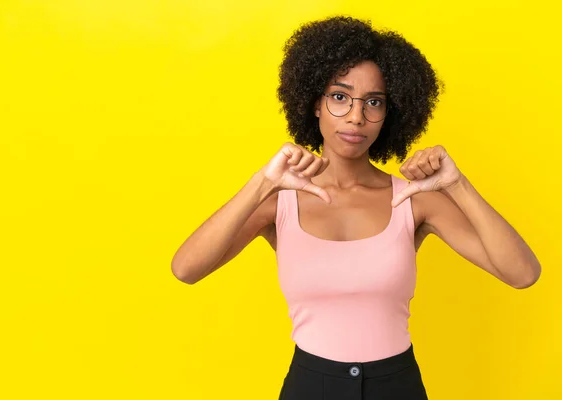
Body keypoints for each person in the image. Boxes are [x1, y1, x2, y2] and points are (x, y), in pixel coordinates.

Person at [171, 15, 541, 400]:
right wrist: (263, 182)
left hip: (396, 386)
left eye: (374, 102)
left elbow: (523, 273)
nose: (355, 116)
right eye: (340, 96)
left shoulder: (414, 199)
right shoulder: (279, 202)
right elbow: (186, 268)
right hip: (310, 386)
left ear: (390, 113)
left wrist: (457, 185)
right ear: (315, 103)